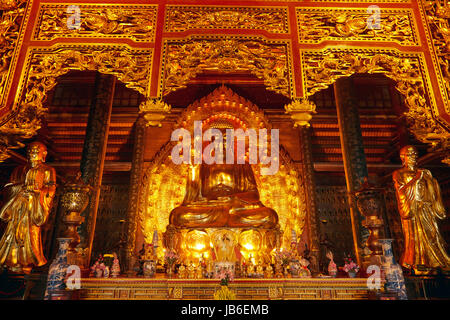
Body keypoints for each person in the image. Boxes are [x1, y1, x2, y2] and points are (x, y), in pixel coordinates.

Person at [0, 142, 56, 273]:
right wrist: (21, 189)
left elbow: (51, 189)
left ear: (44, 154)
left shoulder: (47, 170)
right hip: (17, 208)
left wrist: (37, 192)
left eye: (36, 151)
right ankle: (10, 262)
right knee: (12, 235)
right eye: (30, 151)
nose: (32, 154)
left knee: (30, 235)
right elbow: (8, 187)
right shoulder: (18, 170)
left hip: (32, 210)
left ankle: (28, 262)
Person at [392, 145, 450, 273]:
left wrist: (430, 181)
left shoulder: (424, 172)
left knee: (433, 234)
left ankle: (436, 261)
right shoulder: (399, 173)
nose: (413, 157)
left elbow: (433, 189)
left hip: (426, 207)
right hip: (412, 209)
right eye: (410, 155)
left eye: (414, 154)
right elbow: (401, 191)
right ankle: (417, 261)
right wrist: (417, 179)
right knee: (415, 236)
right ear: (403, 158)